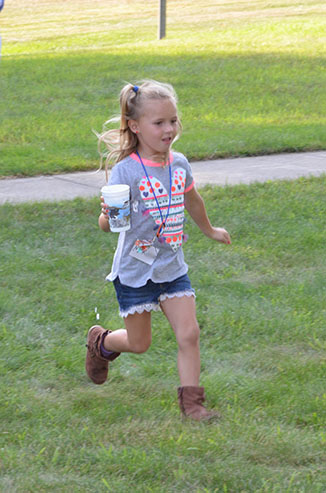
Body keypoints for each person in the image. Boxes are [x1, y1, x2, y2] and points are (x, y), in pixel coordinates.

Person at [85, 80, 231, 421]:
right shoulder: (126, 171)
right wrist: (107, 216)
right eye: (159, 123)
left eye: (173, 121)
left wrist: (210, 230)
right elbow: (110, 225)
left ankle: (193, 406)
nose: (169, 129)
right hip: (135, 271)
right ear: (135, 127)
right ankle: (102, 343)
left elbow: (192, 199)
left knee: (189, 332)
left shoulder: (179, 164)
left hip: (172, 267)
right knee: (139, 344)